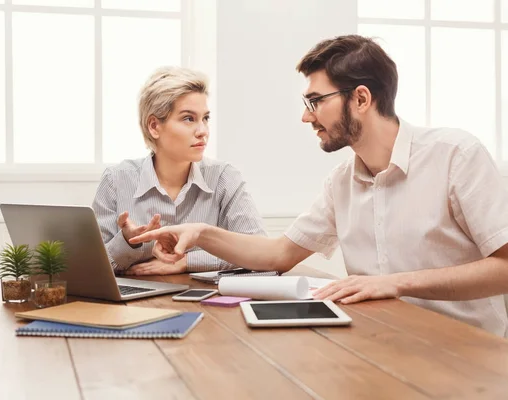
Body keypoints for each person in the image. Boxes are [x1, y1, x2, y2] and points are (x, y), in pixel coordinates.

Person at [130, 35, 508, 336]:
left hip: (468, 350)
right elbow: (278, 255)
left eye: (315, 101)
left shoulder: (456, 154)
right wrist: (200, 234)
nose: (305, 116)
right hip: (384, 340)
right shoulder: (341, 181)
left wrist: (394, 284)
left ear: (361, 98)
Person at [92, 66, 266, 276]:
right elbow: (95, 268)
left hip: (208, 302)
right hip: (136, 306)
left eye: (205, 118)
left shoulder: (224, 178)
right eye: (188, 118)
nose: (203, 131)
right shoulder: (116, 181)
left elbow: (259, 251)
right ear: (154, 126)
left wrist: (187, 261)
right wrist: (128, 242)